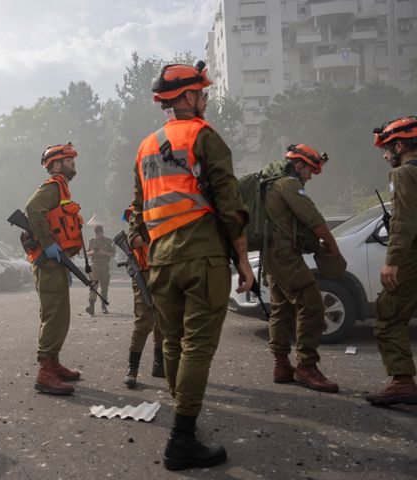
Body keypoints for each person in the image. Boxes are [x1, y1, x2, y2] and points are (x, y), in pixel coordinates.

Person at [130, 61, 253, 470]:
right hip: (202, 256)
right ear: (187, 97)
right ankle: (181, 439)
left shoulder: (145, 147)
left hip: (161, 259)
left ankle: (183, 426)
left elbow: (138, 207)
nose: (205, 99)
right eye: (202, 93)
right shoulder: (204, 137)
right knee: (198, 347)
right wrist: (242, 260)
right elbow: (231, 207)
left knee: (175, 345)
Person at [262, 144, 341, 393]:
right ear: (298, 165)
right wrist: (332, 245)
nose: (310, 176)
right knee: (312, 303)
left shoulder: (271, 185)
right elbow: (313, 219)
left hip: (273, 253)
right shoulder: (289, 184)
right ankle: (307, 366)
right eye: (310, 171)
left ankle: (282, 365)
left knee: (281, 308)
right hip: (284, 254)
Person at [366, 117, 417, 406]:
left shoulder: (403, 175)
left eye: (387, 149)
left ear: (400, 146)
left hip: (411, 256)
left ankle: (402, 382)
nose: (386, 156)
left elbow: (405, 221)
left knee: (387, 317)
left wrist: (393, 261)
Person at [25, 142, 83, 395]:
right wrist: (48, 244)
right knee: (53, 315)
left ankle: (54, 363)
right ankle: (45, 372)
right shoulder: (52, 187)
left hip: (56, 263)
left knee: (60, 314)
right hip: (48, 262)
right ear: (57, 164)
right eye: (69, 160)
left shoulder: (62, 188)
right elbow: (32, 209)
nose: (73, 163)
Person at [121, 205, 164, 389]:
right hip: (144, 272)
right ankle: (132, 368)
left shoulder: (165, 203)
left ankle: (159, 365)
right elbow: (135, 240)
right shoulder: (136, 212)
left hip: (163, 269)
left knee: (163, 319)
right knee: (143, 321)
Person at [85, 225, 116, 315]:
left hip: (104, 266)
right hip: (94, 266)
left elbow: (113, 254)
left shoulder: (109, 241)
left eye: (99, 233)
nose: (98, 235)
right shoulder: (91, 241)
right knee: (93, 286)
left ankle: (103, 306)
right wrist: (93, 252)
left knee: (104, 287)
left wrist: (104, 253)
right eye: (96, 234)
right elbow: (87, 253)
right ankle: (91, 307)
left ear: (102, 232)